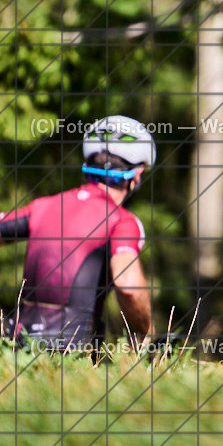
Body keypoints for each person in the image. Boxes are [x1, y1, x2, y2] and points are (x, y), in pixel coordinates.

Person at [0, 115, 155, 353]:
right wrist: (146, 333)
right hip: (71, 354)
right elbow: (128, 287)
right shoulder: (122, 221)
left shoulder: (44, 205)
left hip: (16, 347)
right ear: (137, 174)